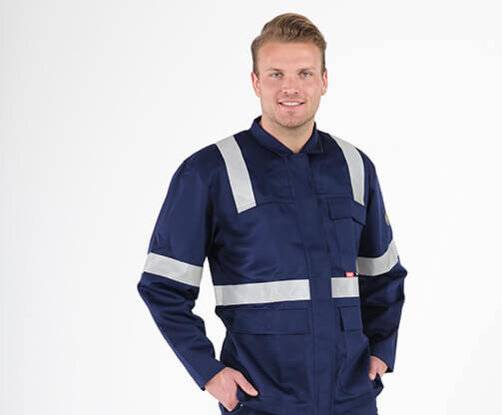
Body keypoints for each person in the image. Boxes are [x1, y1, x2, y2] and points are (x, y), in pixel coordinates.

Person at [137, 12, 408, 415]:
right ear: (255, 81)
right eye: (276, 74)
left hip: (349, 400)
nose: (291, 87)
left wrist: (382, 351)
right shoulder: (209, 172)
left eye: (304, 73)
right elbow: (163, 286)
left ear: (324, 81)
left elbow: (383, 275)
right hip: (261, 401)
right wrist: (210, 373)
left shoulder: (355, 166)